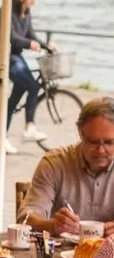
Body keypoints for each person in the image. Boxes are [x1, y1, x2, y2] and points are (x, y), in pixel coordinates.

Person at [19, 96, 114, 235]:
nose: (101, 150)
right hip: (59, 253)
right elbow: (24, 219)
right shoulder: (55, 164)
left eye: (109, 142)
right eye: (93, 142)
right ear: (80, 134)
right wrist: (52, 226)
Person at [0, 0, 51, 155]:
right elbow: (12, 37)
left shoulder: (25, 13)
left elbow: (31, 34)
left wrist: (47, 46)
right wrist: (30, 44)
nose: (33, 1)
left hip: (13, 56)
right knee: (32, 85)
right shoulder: (5, 14)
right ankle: (29, 126)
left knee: (15, 99)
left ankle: (2, 137)